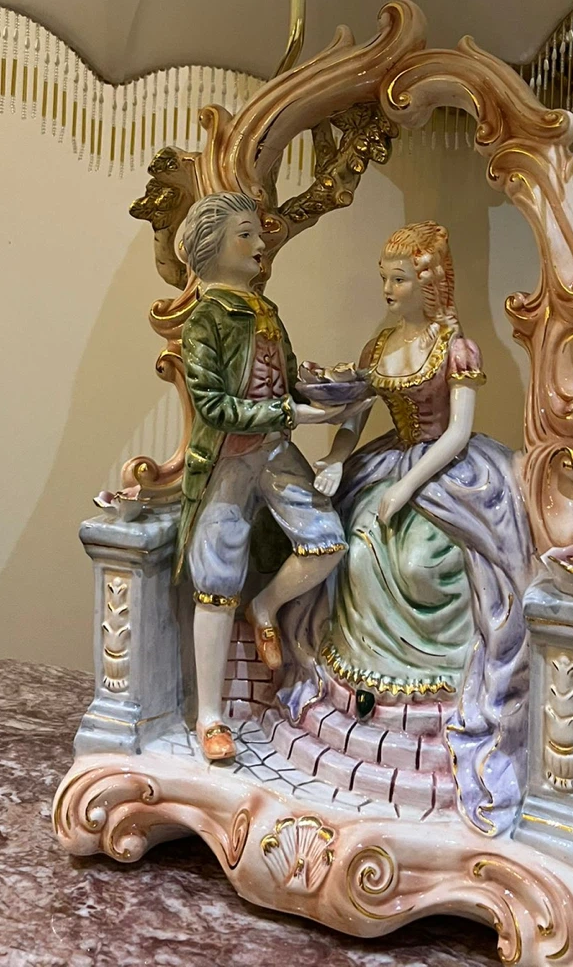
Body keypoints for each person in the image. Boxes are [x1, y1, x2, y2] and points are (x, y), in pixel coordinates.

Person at [278, 221, 535, 834]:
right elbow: (356, 412)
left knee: (422, 563)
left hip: (445, 472)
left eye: (398, 279)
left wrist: (406, 487)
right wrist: (337, 459)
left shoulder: (457, 349)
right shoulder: (381, 345)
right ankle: (364, 683)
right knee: (355, 551)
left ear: (429, 283)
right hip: (388, 461)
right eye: (384, 278)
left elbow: (458, 432)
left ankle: (438, 686)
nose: (388, 289)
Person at [175, 192, 349, 762]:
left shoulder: (266, 310)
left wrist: (330, 391)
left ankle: (266, 607)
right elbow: (213, 407)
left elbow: (287, 378)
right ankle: (209, 717)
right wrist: (292, 413)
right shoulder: (206, 319)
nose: (260, 243)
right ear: (212, 248)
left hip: (275, 452)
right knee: (215, 579)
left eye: (258, 233)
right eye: (245, 235)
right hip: (228, 461)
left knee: (326, 541)